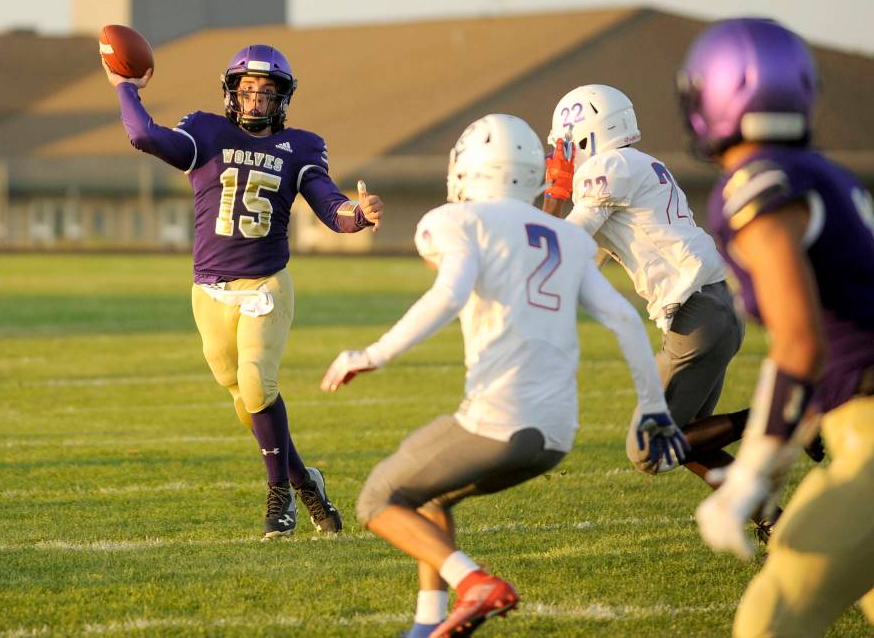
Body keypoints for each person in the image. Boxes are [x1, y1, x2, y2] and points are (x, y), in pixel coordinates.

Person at [321, 114, 687, 638]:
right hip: (557, 434)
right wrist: (653, 407)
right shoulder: (566, 236)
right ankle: (427, 624)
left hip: (498, 422)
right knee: (430, 493)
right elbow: (626, 320)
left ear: (466, 167)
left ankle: (474, 584)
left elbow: (449, 293)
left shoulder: (457, 221)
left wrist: (373, 354)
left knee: (377, 499)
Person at [102, 44, 383, 540]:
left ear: (283, 98)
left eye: (266, 92)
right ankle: (306, 481)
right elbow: (143, 134)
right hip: (209, 292)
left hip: (266, 286)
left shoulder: (300, 147)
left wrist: (358, 215)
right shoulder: (206, 132)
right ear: (232, 92)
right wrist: (124, 85)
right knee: (244, 400)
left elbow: (330, 205)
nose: (255, 100)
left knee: (257, 383)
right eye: (247, 89)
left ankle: (279, 499)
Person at [681, 17, 874, 637]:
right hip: (852, 427)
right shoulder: (831, 176)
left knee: (771, 620)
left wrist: (751, 473)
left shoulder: (759, 183)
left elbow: (800, 344)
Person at [538, 85, 772, 528]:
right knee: (691, 442)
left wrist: (556, 189)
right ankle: (773, 521)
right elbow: (587, 259)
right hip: (718, 307)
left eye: (566, 145)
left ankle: (783, 415)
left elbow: (557, 244)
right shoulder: (641, 165)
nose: (562, 155)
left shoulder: (605, 169)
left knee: (648, 450)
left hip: (696, 315)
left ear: (585, 135)